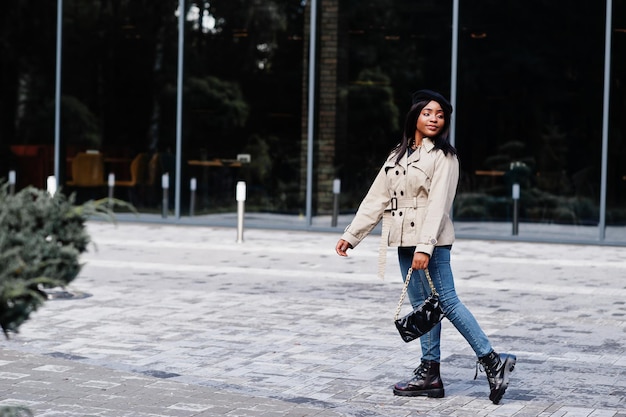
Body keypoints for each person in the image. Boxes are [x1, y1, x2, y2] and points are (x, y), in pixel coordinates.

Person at [335, 89, 516, 404]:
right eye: (428, 113)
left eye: (440, 115)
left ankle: (492, 361)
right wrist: (352, 235)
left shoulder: (444, 156)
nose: (434, 119)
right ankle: (430, 373)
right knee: (425, 310)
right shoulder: (398, 155)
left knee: (447, 302)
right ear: (415, 116)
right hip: (404, 244)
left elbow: (438, 206)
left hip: (430, 244)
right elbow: (377, 197)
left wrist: (425, 247)